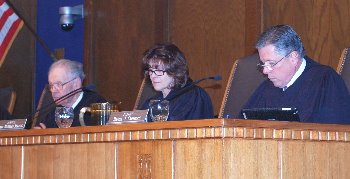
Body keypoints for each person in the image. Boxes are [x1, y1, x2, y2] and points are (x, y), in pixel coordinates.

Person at [239, 24, 350, 124]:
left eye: (271, 63)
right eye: (263, 64)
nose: (265, 71)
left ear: (293, 57)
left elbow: (336, 134)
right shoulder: (267, 88)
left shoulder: (325, 81)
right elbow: (242, 124)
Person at [138, 43, 214, 121]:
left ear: (174, 71)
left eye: (159, 70)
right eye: (151, 70)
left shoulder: (195, 96)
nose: (153, 76)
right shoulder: (151, 103)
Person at [34, 59, 106, 129]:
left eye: (59, 84)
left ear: (76, 84)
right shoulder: (51, 113)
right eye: (51, 86)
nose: (53, 91)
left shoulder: (97, 106)